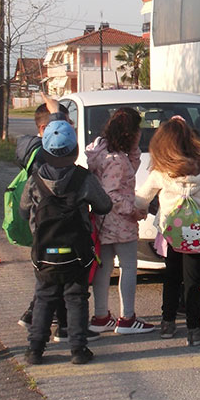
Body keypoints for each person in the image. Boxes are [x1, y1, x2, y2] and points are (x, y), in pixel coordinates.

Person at [20, 119, 113, 365]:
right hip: (76, 251)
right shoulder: (84, 178)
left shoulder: (35, 179)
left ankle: (35, 350)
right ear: (75, 150)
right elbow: (104, 205)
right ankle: (78, 349)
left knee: (44, 297)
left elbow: (23, 210)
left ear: (45, 151)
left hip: (44, 251)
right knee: (76, 298)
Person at [135, 117, 200, 346]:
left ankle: (167, 323)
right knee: (193, 279)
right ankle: (194, 329)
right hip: (197, 231)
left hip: (170, 232)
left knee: (172, 277)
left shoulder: (161, 170)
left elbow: (141, 199)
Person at [86, 108, 153, 335]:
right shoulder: (116, 160)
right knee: (128, 267)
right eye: (138, 131)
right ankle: (127, 318)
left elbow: (131, 167)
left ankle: (101, 316)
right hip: (119, 221)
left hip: (101, 221)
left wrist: (133, 146)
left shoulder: (103, 151)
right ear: (131, 132)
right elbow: (111, 193)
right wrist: (132, 210)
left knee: (104, 269)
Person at [15, 101, 72, 341]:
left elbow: (24, 208)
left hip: (41, 230)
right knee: (55, 279)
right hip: (55, 229)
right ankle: (49, 328)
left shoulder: (31, 150)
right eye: (64, 125)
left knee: (49, 276)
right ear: (45, 129)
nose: (68, 128)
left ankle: (36, 318)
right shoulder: (45, 156)